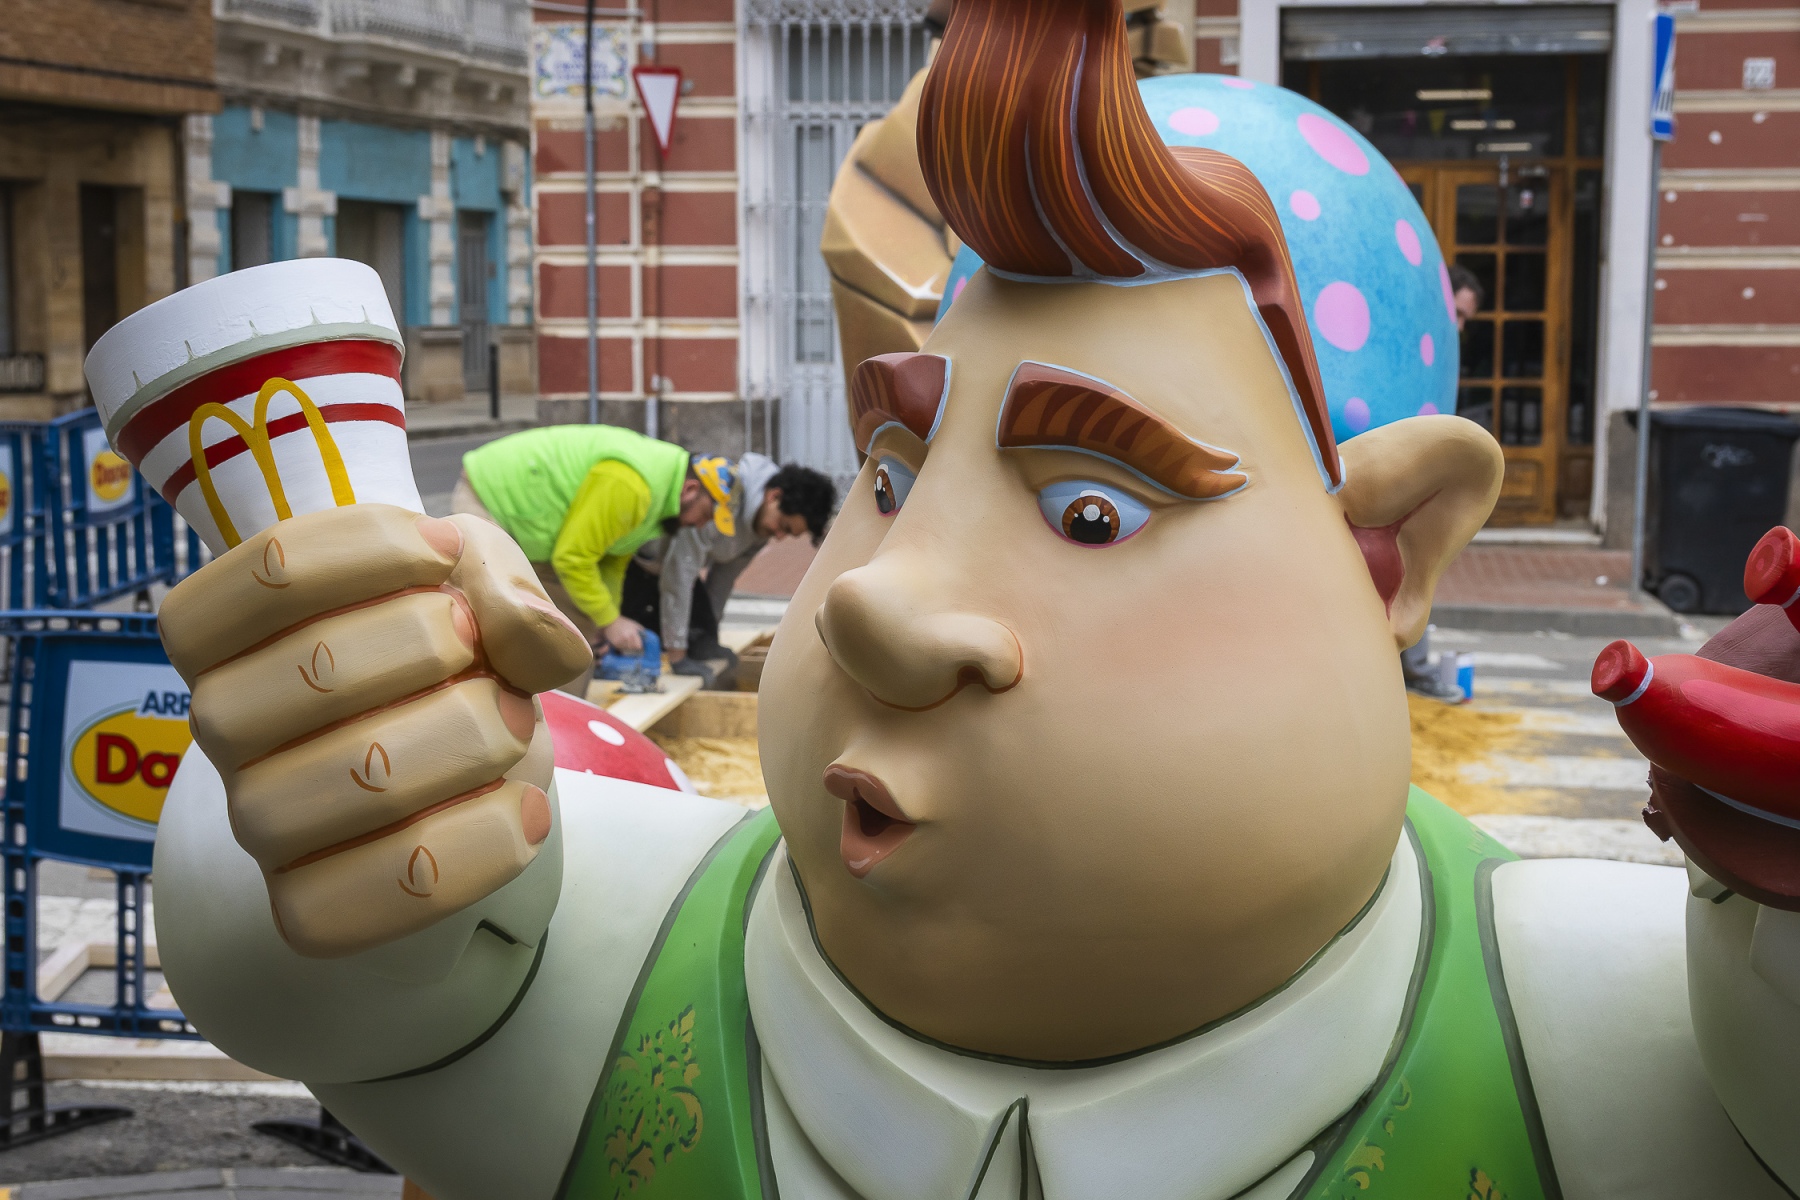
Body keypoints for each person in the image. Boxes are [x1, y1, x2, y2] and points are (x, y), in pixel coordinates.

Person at [142, 6, 1800, 1198]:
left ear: (1389, 559)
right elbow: (376, 979)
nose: (877, 605)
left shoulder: (1570, 1034)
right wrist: (347, 772)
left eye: (1092, 508)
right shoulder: (636, 962)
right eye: (893, 471)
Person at [449, 425, 723, 668]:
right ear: (690, 490)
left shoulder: (659, 498)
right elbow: (572, 558)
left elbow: (613, 559)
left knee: (574, 632)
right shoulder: (631, 486)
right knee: (490, 619)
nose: (701, 525)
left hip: (537, 526)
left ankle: (551, 704)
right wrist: (611, 622)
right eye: (706, 514)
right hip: (492, 494)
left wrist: (606, 618)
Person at [620, 456, 837, 684]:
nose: (779, 536)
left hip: (669, 571)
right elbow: (679, 575)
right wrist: (678, 655)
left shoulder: (761, 526)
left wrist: (708, 636)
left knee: (701, 642)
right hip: (635, 564)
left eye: (789, 534)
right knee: (643, 642)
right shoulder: (723, 498)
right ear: (774, 496)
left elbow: (723, 578)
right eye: (783, 526)